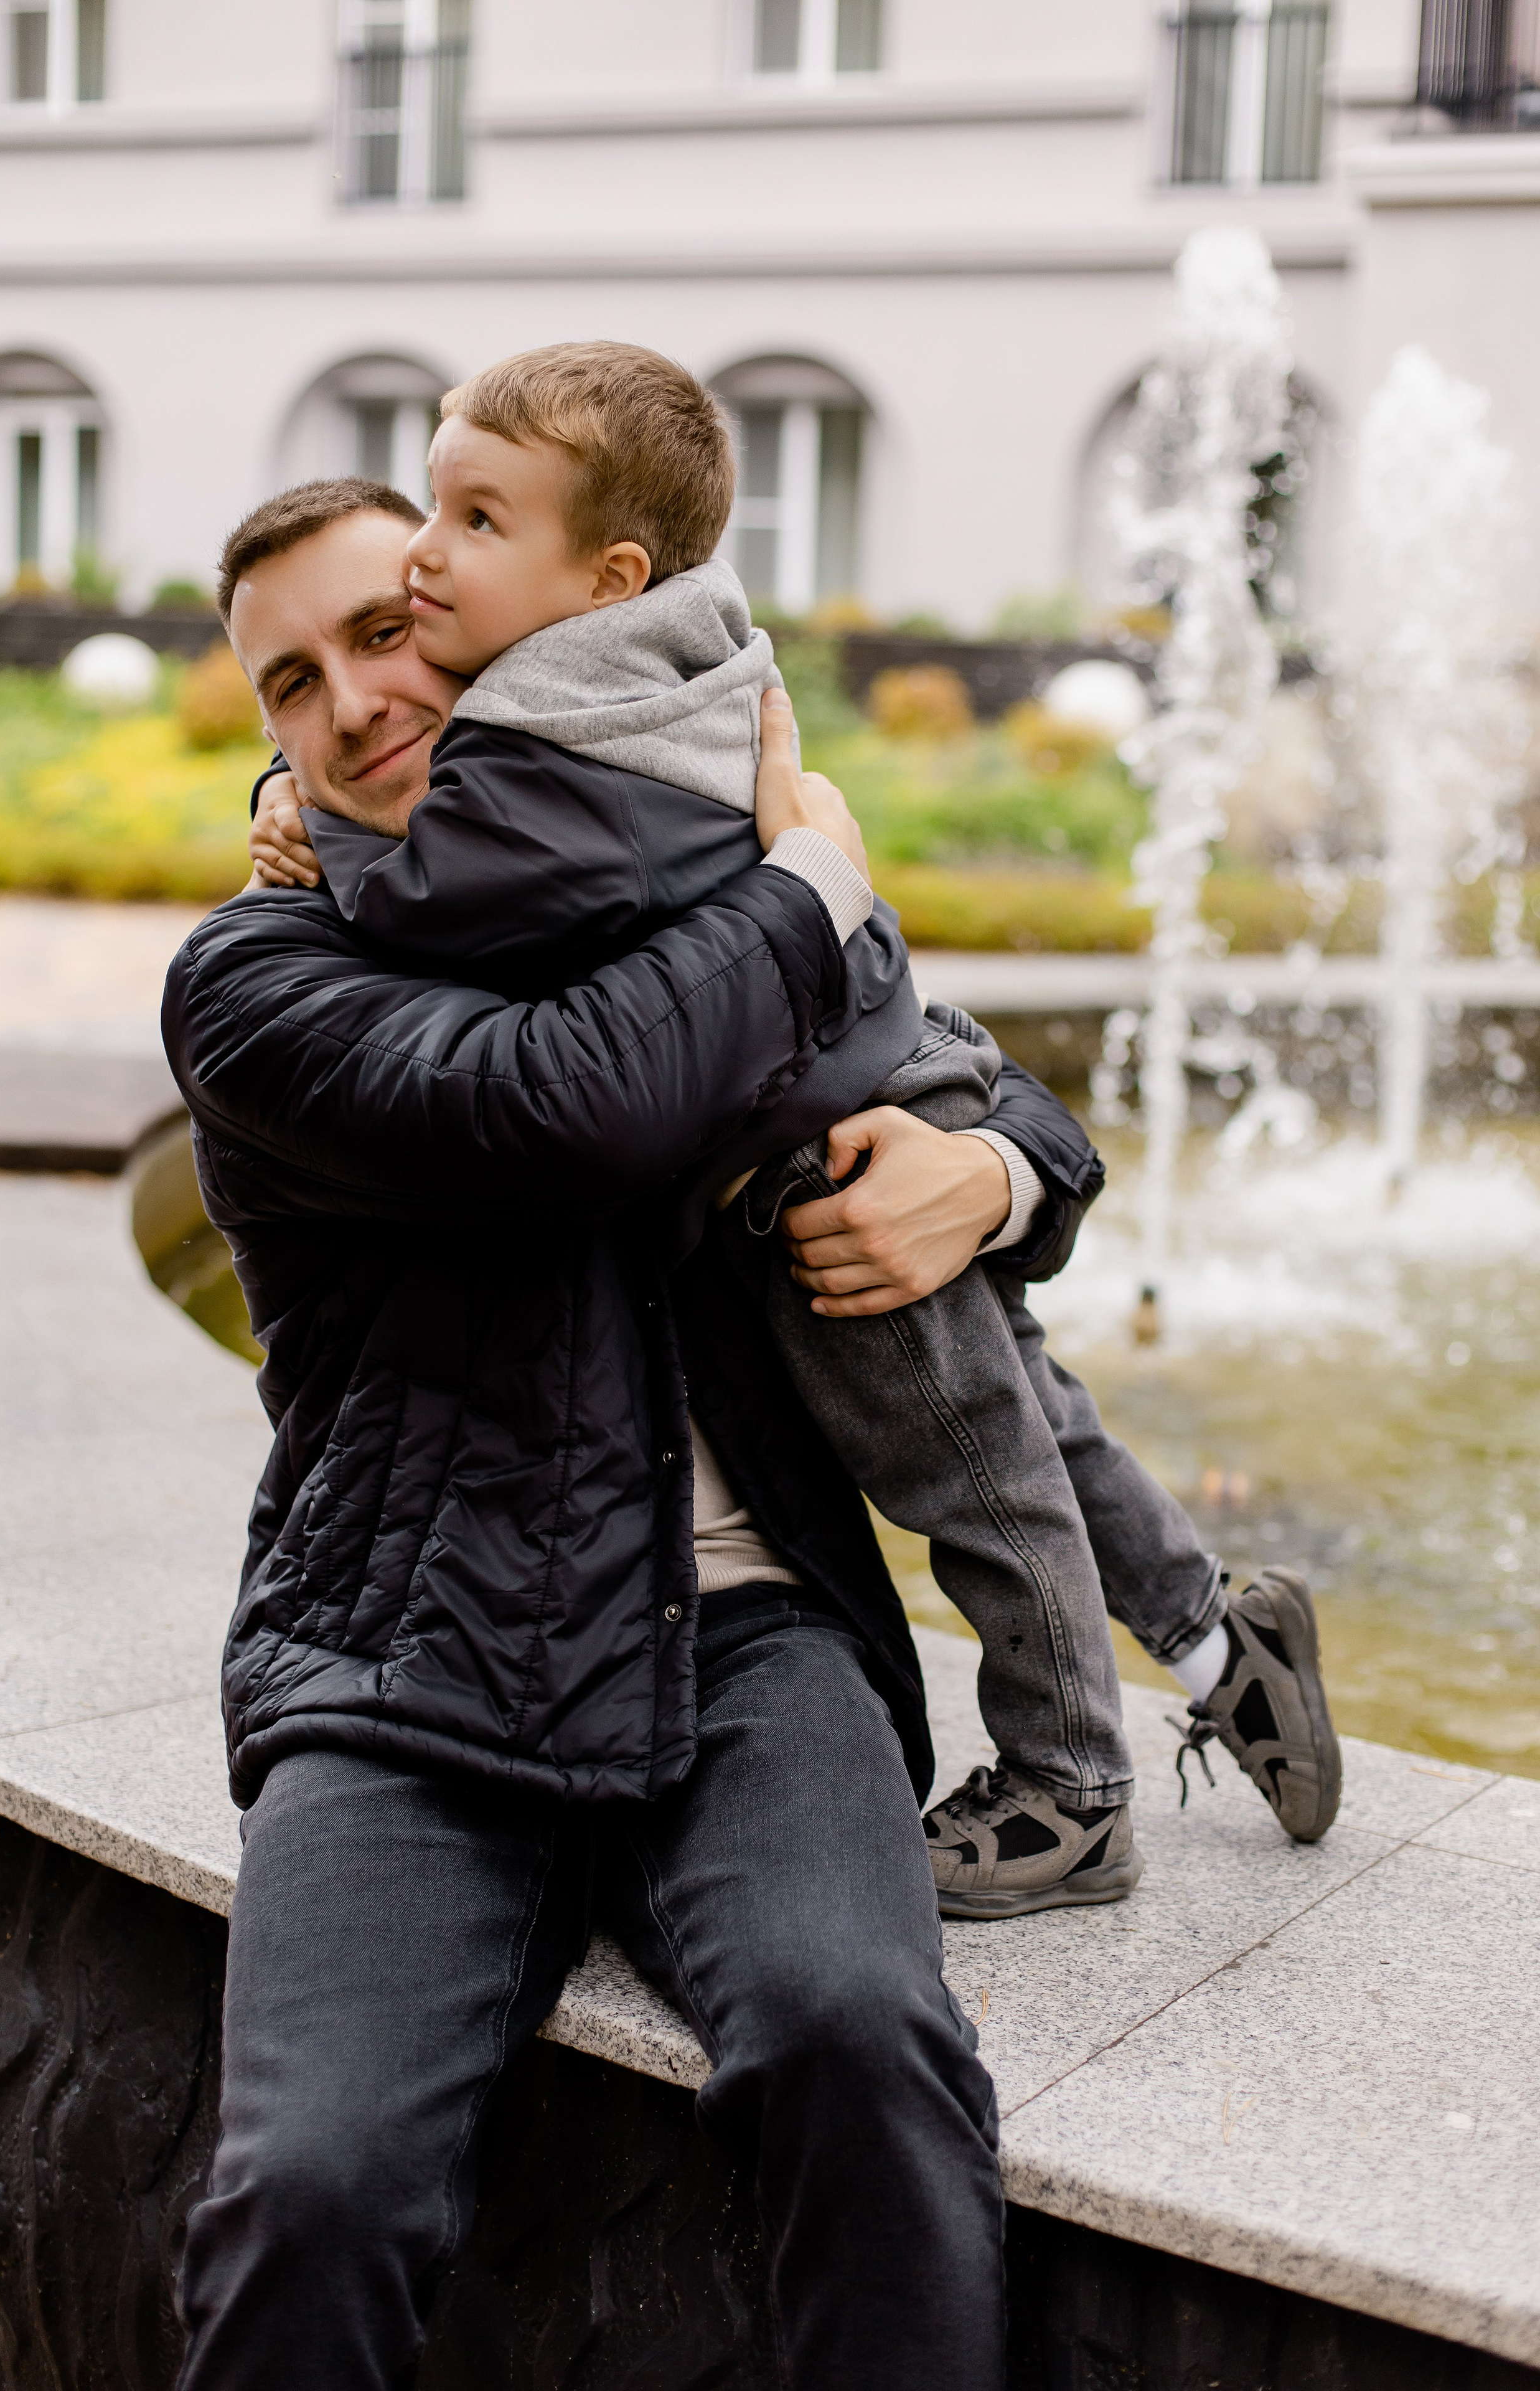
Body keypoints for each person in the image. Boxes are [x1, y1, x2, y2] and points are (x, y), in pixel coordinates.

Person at [247, 343, 1342, 1917]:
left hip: (830, 1153)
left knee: (976, 1475)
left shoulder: (543, 742)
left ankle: (1072, 1792)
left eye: (441, 558)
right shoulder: (637, 670)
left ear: (599, 574)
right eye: (298, 683)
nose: (419, 592)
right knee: (1035, 1424)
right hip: (862, 1084)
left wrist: (990, 1171)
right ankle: (1218, 1644)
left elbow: (461, 899)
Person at [167, 483, 1032, 2390]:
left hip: (750, 1634)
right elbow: (569, 1102)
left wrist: (988, 1170)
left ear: (496, 622)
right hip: (404, 1651)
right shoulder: (259, 981)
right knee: (310, 2182)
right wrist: (811, 878)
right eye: (288, 682)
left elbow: (964, 1076)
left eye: (384, 629)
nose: (351, 697)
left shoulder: (658, 875)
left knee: (854, 2038)